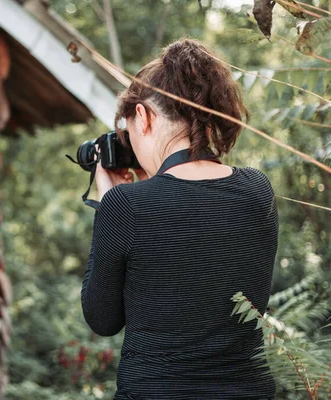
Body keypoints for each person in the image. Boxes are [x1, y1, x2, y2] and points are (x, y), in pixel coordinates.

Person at [81, 39, 278, 399]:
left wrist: (112, 201)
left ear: (143, 117)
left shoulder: (125, 205)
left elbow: (103, 320)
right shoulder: (257, 189)